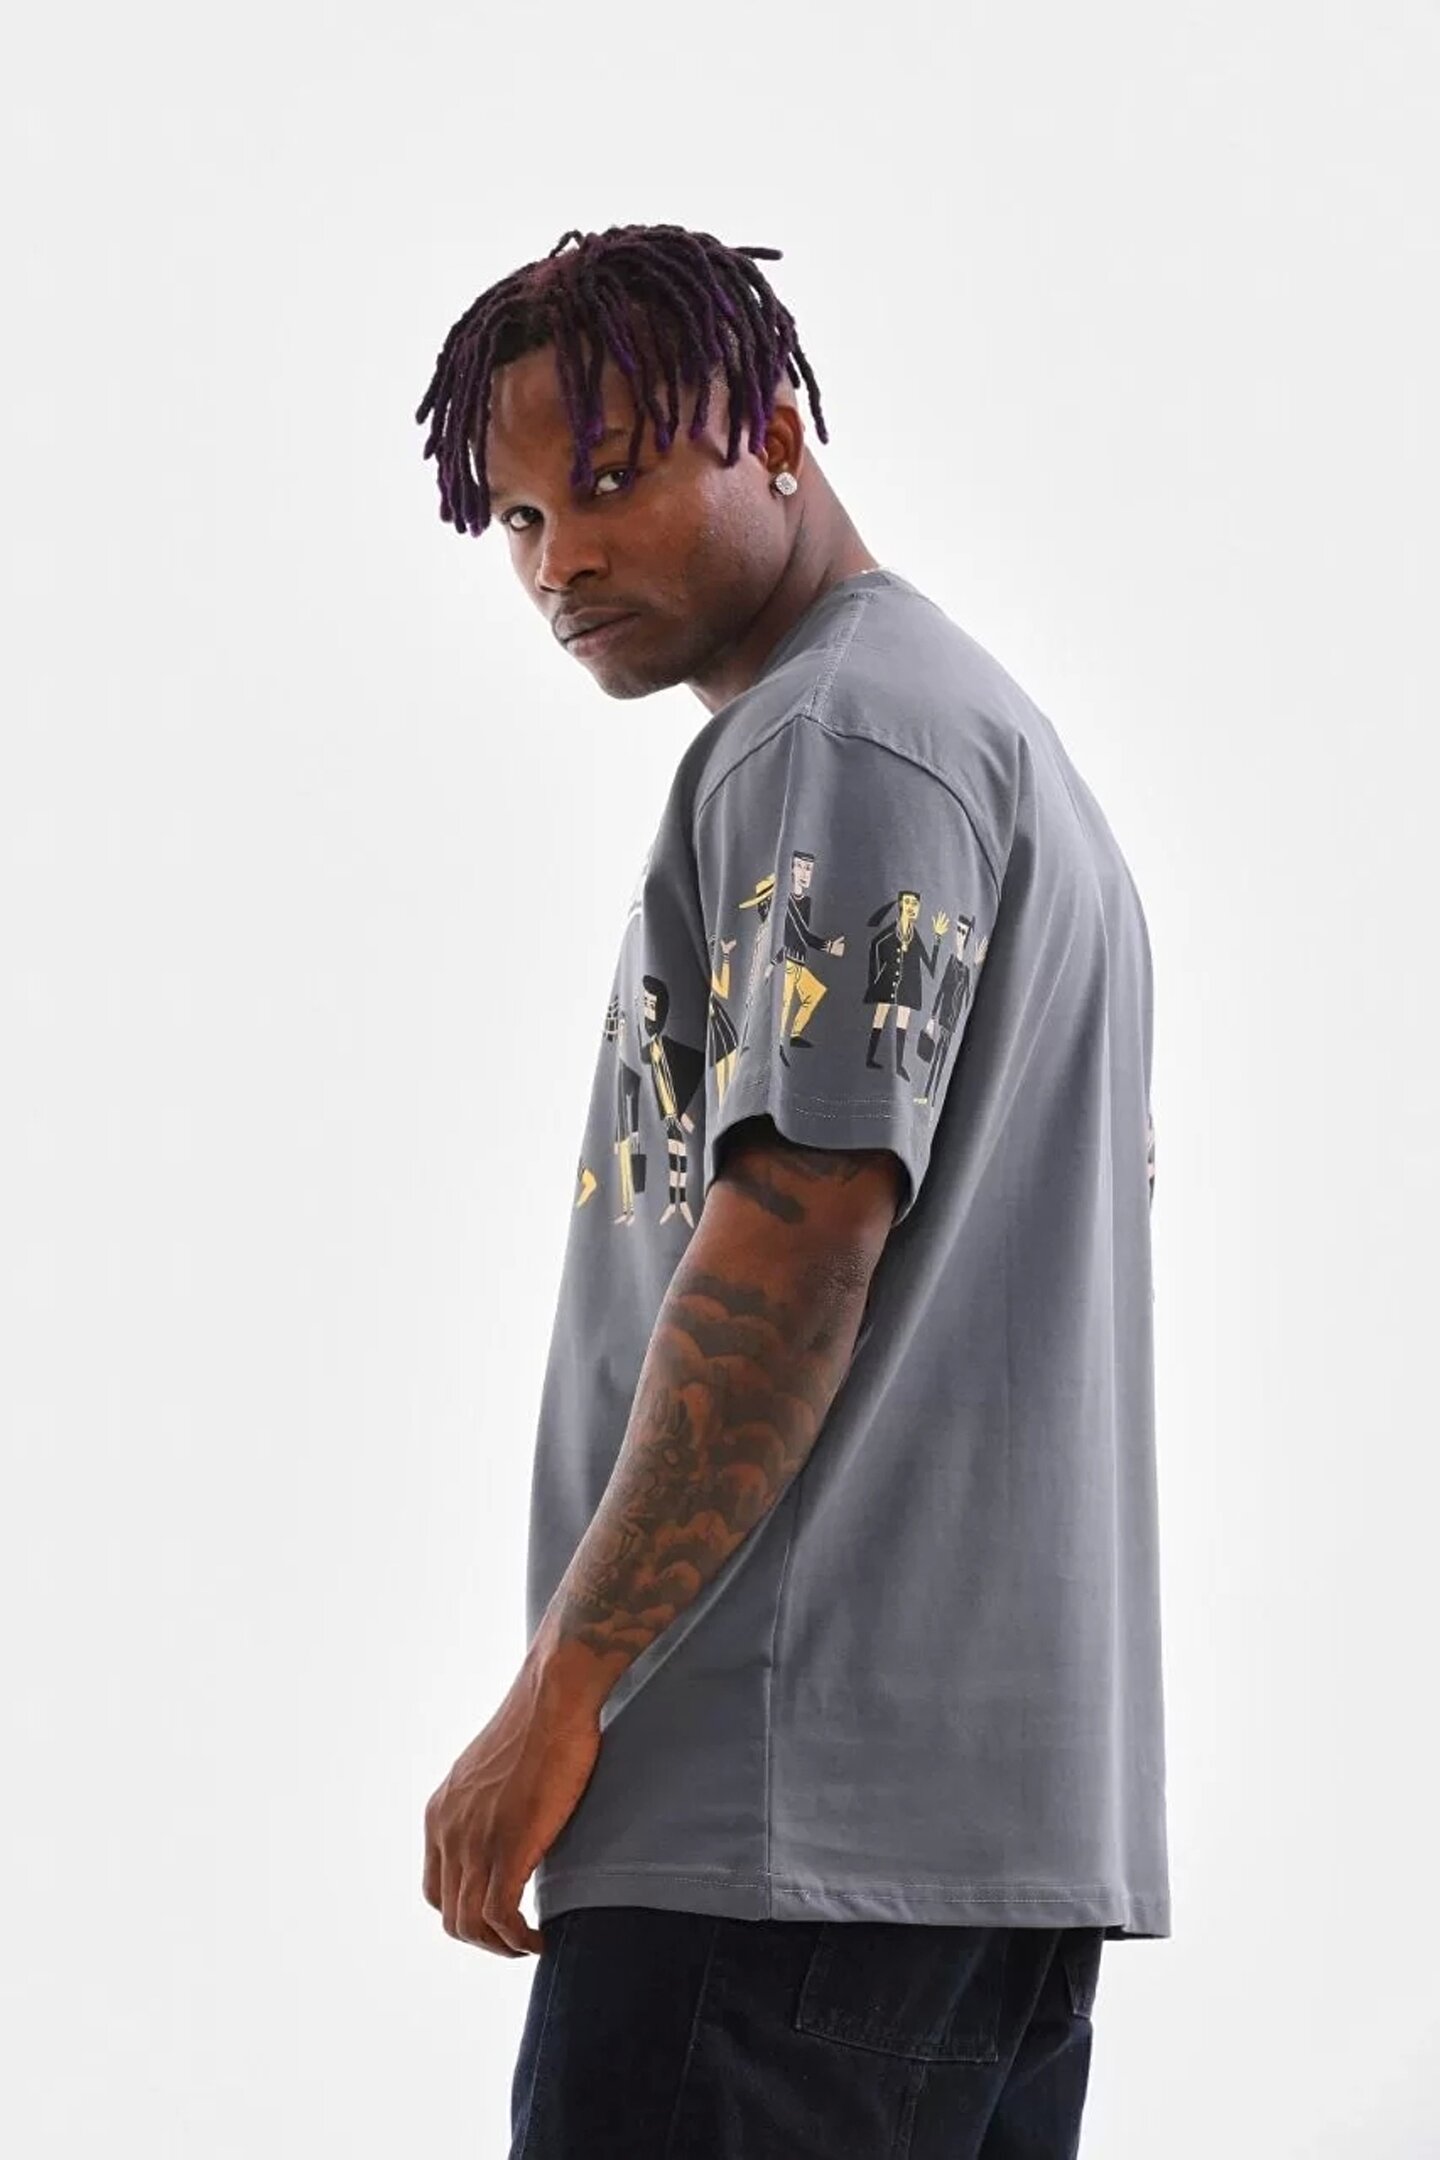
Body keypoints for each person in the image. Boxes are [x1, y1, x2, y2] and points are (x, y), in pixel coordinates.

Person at [415, 221, 1169, 2160]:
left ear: (769, 436)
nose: (560, 562)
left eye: (608, 480)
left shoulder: (835, 735)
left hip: (766, 1854)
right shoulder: (984, 738)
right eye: (518, 518)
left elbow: (798, 1239)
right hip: (985, 1872)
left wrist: (563, 1689)